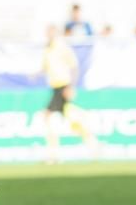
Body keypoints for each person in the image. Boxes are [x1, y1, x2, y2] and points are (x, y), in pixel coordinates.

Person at [39, 24, 98, 163]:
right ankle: (91, 142)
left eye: (51, 32)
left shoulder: (61, 47)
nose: (49, 34)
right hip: (55, 86)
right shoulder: (47, 49)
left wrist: (71, 86)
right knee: (67, 116)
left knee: (50, 116)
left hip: (63, 85)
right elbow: (45, 67)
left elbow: (73, 66)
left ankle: (54, 154)